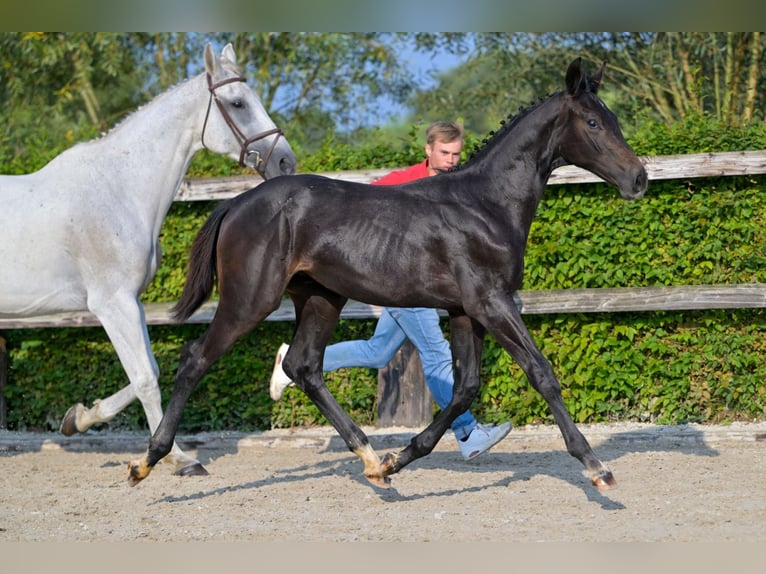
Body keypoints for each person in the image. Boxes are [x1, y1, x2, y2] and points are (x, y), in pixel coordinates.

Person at [269, 121, 511, 461]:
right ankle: (467, 431)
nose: (452, 160)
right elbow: (361, 205)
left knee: (377, 351)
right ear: (429, 150)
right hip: (404, 283)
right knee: (438, 353)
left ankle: (287, 361)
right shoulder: (403, 180)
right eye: (445, 152)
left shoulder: (456, 186)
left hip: (424, 285)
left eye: (456, 153)